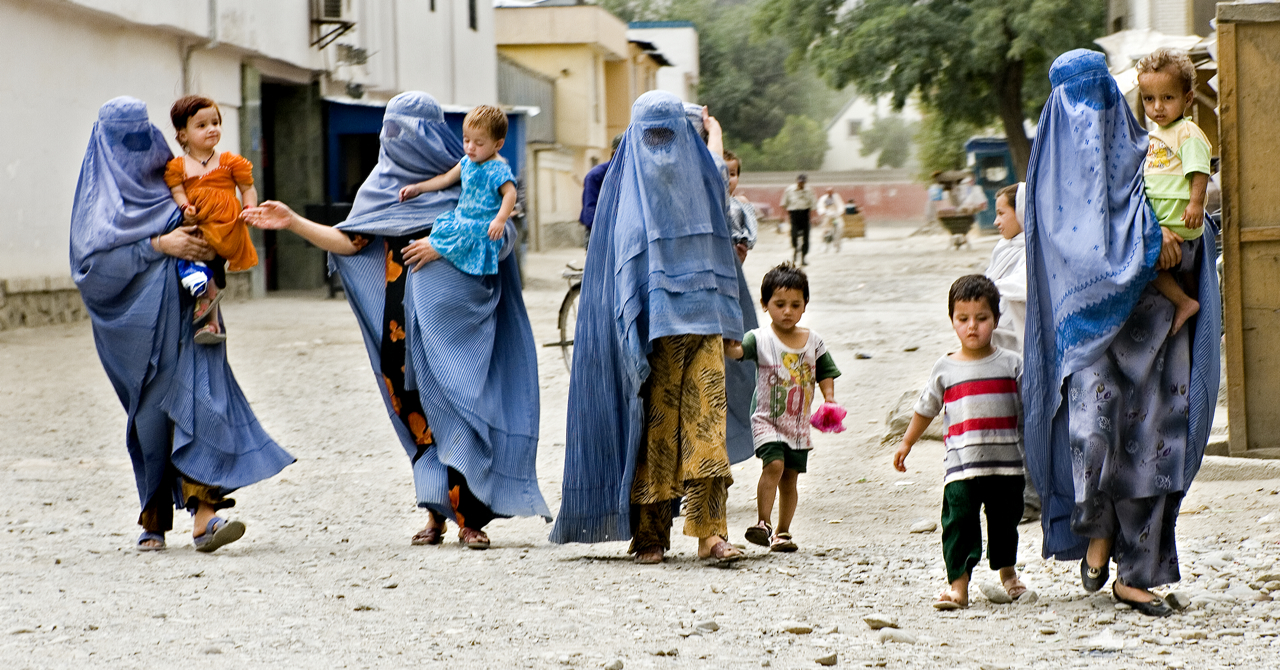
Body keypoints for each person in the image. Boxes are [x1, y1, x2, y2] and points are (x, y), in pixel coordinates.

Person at [244, 92, 550, 549]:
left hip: (456, 328)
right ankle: (435, 511)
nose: (397, 141)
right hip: (398, 326)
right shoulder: (382, 189)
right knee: (417, 415)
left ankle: (470, 516)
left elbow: (503, 238)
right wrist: (292, 222)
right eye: (390, 131)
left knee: (457, 408)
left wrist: (442, 246)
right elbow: (348, 242)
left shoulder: (469, 179)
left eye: (408, 131)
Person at [1023, 50, 1220, 617]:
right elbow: (1074, 243)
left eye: (1100, 96)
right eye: (1076, 101)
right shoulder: (1048, 180)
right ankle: (1098, 537)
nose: (1091, 114)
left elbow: (1180, 208)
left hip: (1161, 336)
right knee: (1094, 442)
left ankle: (1137, 574)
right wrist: (1147, 244)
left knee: (1157, 451)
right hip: (1091, 345)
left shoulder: (1144, 147)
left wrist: (1176, 235)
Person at [71, 97, 294, 553]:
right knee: (152, 421)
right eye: (124, 139)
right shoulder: (97, 202)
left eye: (141, 135)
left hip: (195, 318)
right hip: (138, 333)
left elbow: (212, 229)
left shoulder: (171, 178)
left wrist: (209, 240)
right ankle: (154, 512)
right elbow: (91, 268)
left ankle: (205, 518)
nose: (137, 148)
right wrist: (157, 244)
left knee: (204, 404)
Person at [549, 91, 745, 565]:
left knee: (707, 426)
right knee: (656, 434)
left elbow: (718, 169)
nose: (660, 148)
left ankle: (710, 534)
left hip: (705, 324)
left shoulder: (703, 181)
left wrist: (710, 127)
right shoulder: (623, 197)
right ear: (634, 138)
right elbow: (617, 277)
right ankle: (651, 534)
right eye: (649, 135)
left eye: (669, 134)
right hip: (651, 334)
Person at [894, 275, 1027, 610]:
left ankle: (1008, 572)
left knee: (1005, 523)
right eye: (963, 319)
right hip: (961, 468)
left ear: (996, 319)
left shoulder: (1012, 364)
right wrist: (906, 442)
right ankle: (958, 586)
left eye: (981, 319)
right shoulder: (946, 368)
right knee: (958, 524)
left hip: (1007, 465)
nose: (972, 327)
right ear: (952, 319)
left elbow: (1032, 410)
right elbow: (926, 408)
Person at [726, 263, 840, 553]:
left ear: (804, 306)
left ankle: (783, 532)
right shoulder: (760, 339)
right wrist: (729, 343)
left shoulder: (813, 342)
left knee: (790, 479)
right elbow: (739, 353)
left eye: (795, 304)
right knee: (774, 465)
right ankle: (762, 523)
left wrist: (829, 399)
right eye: (779, 304)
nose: (787, 311)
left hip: (798, 424)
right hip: (767, 418)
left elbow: (825, 371)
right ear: (765, 305)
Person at [164, 95, 259, 345]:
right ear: (183, 134)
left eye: (215, 122)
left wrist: (250, 208)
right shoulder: (179, 167)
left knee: (207, 257)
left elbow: (248, 187)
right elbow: (177, 191)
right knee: (200, 259)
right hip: (197, 223)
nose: (212, 129)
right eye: (202, 125)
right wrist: (185, 207)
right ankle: (212, 321)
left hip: (225, 225)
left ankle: (207, 302)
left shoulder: (230, 162)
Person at [1137, 47, 1212, 336]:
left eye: (1167, 98)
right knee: (1187, 277)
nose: (1157, 107)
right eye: (1149, 99)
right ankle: (1194, 308)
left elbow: (1199, 168)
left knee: (1146, 261)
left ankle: (1183, 303)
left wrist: (1196, 203)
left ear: (1187, 98)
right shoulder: (1154, 135)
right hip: (1166, 224)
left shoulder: (1187, 132)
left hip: (1181, 225)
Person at [397, 105, 515, 276]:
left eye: (479, 143)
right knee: (444, 228)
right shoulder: (467, 161)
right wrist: (418, 188)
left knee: (463, 240)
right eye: (466, 140)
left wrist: (500, 219)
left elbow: (510, 193)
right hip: (463, 217)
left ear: (498, 144)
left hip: (482, 223)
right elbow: (445, 179)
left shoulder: (498, 169)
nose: (470, 147)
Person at [984, 182, 1040, 523]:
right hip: (997, 355)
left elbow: (1026, 287)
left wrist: (987, 289)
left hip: (1023, 356)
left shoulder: (1034, 249)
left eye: (1002, 212)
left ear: (1021, 212)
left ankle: (1031, 500)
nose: (996, 221)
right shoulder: (1004, 250)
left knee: (1024, 427)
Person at [580, 134, 623, 248]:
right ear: (614, 154)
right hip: (599, 236)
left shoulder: (633, 175)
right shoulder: (596, 176)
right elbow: (590, 212)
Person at [723, 150, 758, 264]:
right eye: (722, 172)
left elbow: (751, 228)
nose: (727, 178)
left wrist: (744, 243)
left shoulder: (741, 203)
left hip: (735, 255)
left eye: (732, 174)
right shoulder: (705, 201)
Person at [780, 174, 817, 265]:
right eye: (800, 182)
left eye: (803, 182)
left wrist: (814, 218)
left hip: (805, 214)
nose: (801, 184)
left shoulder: (809, 191)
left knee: (806, 237)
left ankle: (804, 256)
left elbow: (813, 205)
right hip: (794, 215)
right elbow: (784, 204)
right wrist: (782, 218)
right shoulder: (790, 190)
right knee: (794, 235)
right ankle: (796, 249)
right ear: (797, 181)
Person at [816, 187, 845, 252]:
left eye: (831, 192)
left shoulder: (836, 197)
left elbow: (841, 205)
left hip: (835, 218)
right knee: (826, 231)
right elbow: (820, 207)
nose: (830, 193)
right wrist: (823, 212)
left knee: (837, 230)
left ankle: (837, 245)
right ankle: (825, 246)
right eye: (828, 192)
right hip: (827, 217)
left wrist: (840, 212)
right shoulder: (823, 198)